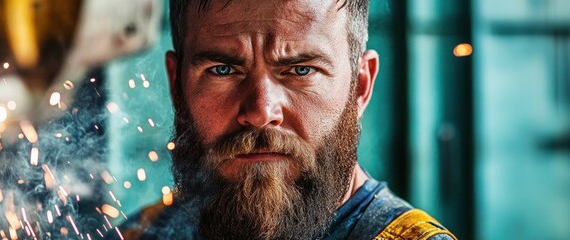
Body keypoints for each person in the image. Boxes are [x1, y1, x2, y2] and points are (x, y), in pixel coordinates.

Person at [119, 0, 457, 239]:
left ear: (361, 86)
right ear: (177, 87)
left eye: (300, 70)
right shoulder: (142, 234)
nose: (262, 111)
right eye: (222, 70)